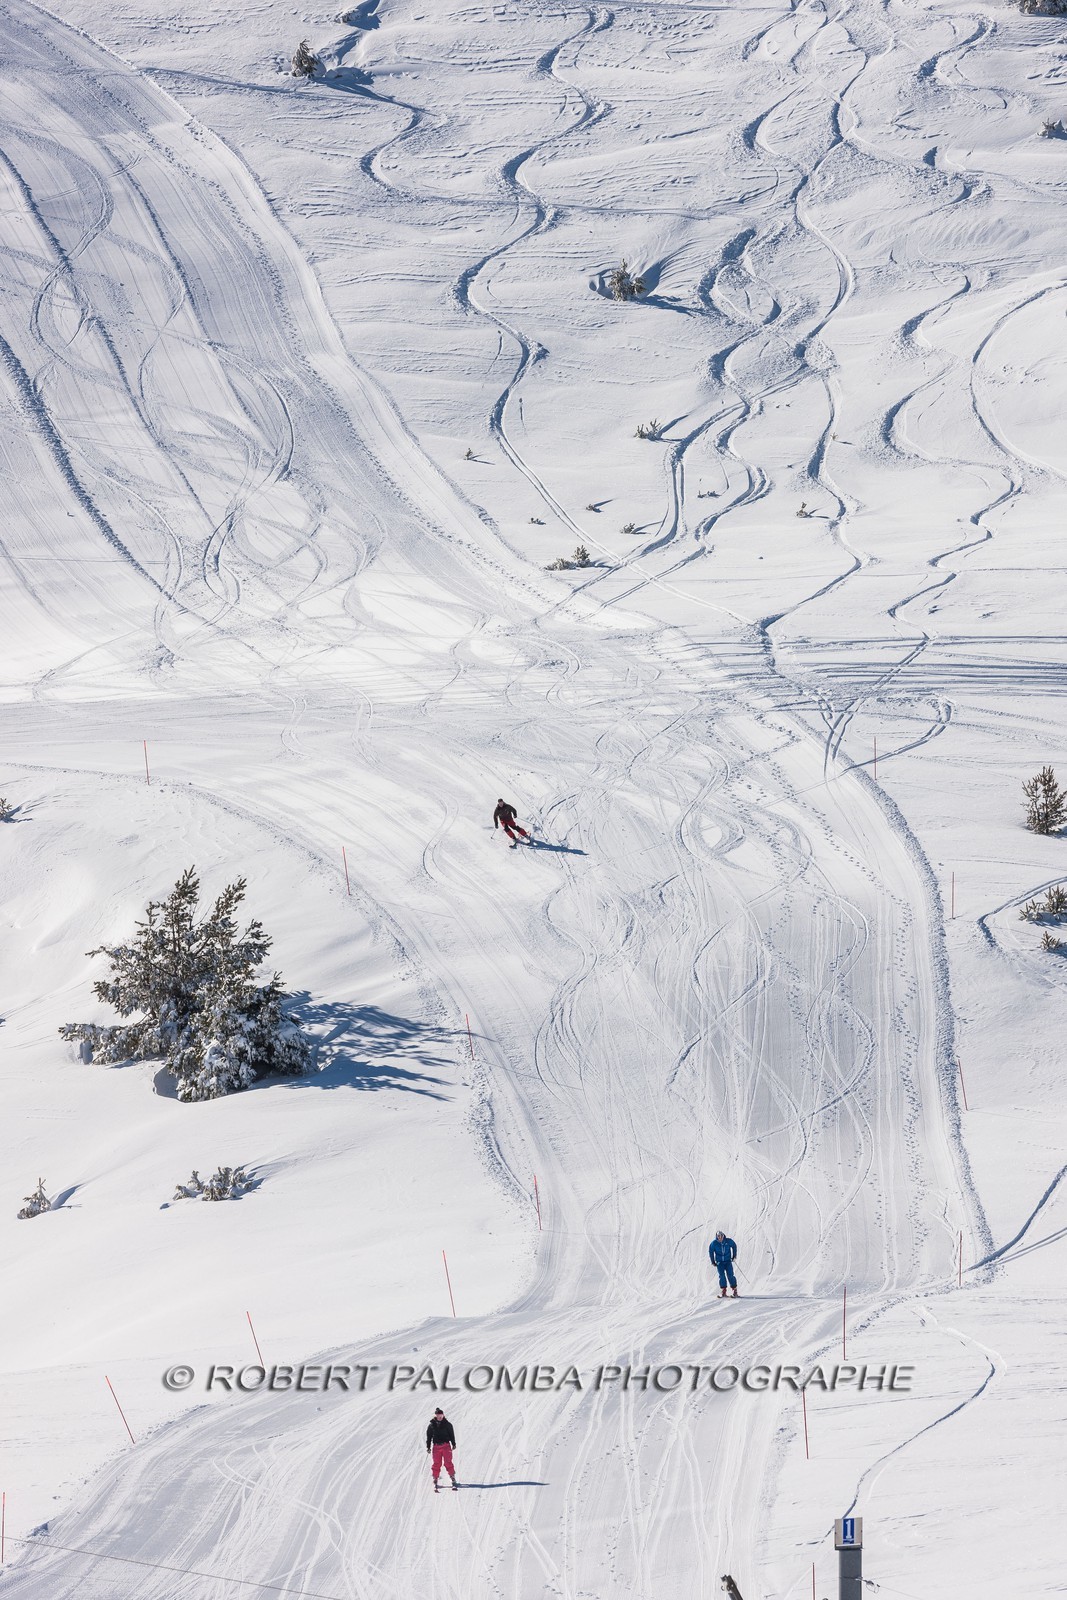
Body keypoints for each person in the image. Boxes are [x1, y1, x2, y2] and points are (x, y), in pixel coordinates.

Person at [426, 1406, 458, 1491]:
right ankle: (435, 1478)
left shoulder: (447, 1424)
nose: (440, 1417)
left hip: (446, 1446)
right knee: (437, 1463)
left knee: (448, 1462)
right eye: (438, 1415)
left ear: (443, 1415)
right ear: (436, 1416)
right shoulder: (431, 1425)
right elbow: (429, 1437)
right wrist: (428, 1447)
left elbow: (451, 1434)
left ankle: (452, 1477)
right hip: (436, 1447)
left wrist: (453, 1443)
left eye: (441, 1415)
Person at [709, 1230, 738, 1297]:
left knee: (730, 1275)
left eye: (721, 1236)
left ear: (723, 1235)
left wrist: (734, 1256)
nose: (720, 1238)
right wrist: (713, 1261)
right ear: (716, 1237)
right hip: (719, 1262)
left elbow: (734, 1246)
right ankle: (723, 1290)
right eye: (718, 1236)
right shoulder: (714, 1243)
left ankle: (734, 1290)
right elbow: (711, 1252)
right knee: (721, 1276)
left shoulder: (728, 1241)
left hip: (727, 1261)